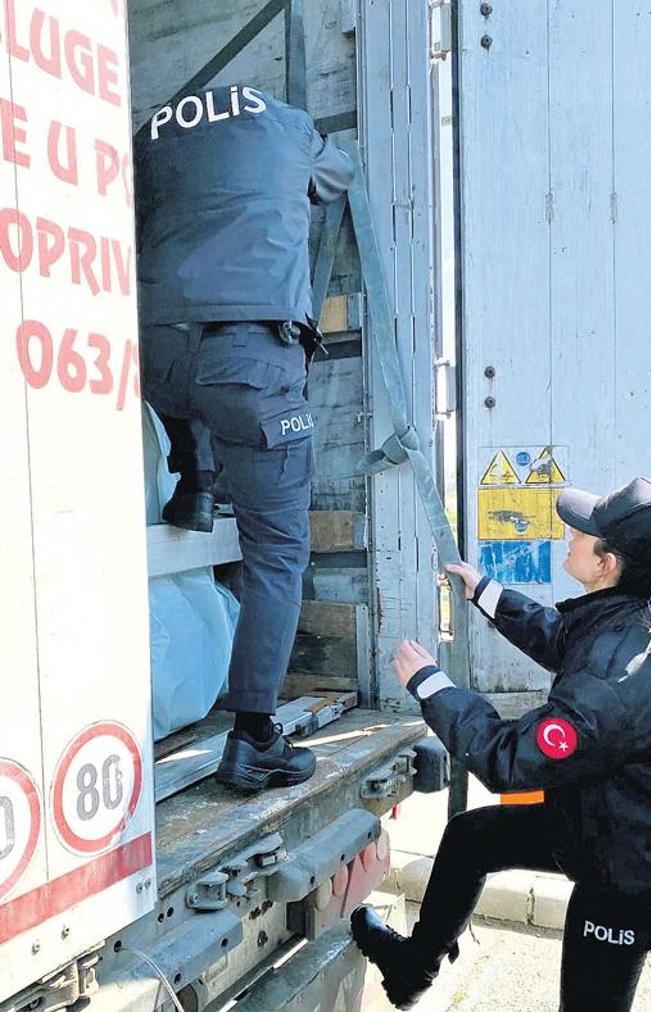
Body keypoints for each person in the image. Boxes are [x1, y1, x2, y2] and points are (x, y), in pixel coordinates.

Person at [351, 476, 651, 1011]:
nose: (570, 539)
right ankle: (412, 968)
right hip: (607, 819)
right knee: (472, 838)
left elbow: (511, 759)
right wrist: (486, 592)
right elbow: (561, 637)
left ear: (606, 563)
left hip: (631, 867)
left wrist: (431, 686)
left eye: (581, 533)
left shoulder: (616, 677)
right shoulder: (626, 609)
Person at [134, 84, 353, 790]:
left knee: (187, 386)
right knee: (278, 553)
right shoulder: (284, 127)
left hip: (153, 351)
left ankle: (194, 486)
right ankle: (256, 737)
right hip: (250, 359)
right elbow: (336, 175)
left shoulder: (153, 133)